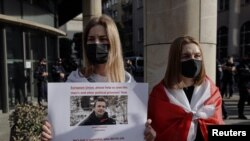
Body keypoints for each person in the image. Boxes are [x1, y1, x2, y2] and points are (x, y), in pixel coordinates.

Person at [41, 14, 135, 141]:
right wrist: (49, 133)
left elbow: (133, 131)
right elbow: (59, 127)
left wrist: (145, 135)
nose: (96, 43)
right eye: (91, 39)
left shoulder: (128, 82)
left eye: (103, 39)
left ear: (113, 43)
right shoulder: (74, 80)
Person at [144, 36, 224, 141]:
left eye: (197, 56)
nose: (193, 60)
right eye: (186, 56)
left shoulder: (212, 91)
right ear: (175, 60)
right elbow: (155, 132)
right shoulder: (159, 94)